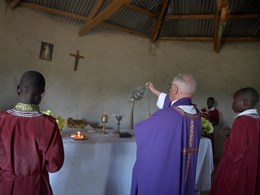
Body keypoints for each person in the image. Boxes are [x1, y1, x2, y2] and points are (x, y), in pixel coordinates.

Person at [130, 73, 201, 195]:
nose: (169, 90)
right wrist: (155, 91)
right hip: (187, 167)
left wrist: (148, 120)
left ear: (175, 89)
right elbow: (176, 106)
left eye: (170, 87)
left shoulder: (166, 115)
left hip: (168, 170)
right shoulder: (196, 113)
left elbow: (142, 130)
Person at [0, 71, 64, 195]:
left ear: (18, 89)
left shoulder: (1, 119)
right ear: (42, 94)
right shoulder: (49, 124)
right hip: (36, 187)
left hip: (4, 186)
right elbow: (54, 165)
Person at [210, 87, 260, 195]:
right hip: (253, 164)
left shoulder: (240, 121)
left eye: (234, 101)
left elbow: (235, 153)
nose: (232, 104)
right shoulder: (256, 119)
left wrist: (227, 138)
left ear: (246, 103)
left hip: (240, 167)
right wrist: (232, 132)